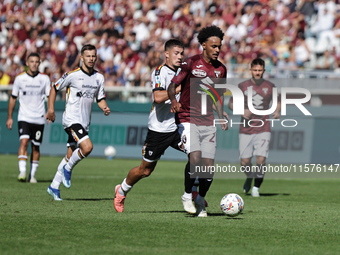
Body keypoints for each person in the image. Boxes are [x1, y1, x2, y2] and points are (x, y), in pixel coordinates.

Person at [114, 39, 185, 212]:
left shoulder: (184, 72)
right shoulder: (160, 72)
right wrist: (178, 88)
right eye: (176, 53)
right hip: (159, 130)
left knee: (197, 155)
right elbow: (158, 97)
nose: (180, 56)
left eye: (181, 53)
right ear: (166, 54)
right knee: (145, 171)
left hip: (178, 127)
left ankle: (193, 195)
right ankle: (122, 191)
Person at [168, 25, 228, 217]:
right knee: (195, 159)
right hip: (187, 118)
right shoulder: (191, 63)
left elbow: (218, 96)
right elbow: (172, 86)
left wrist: (221, 115)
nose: (217, 49)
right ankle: (187, 195)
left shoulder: (221, 70)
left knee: (208, 168)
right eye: (214, 46)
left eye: (219, 46)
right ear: (203, 45)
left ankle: (200, 199)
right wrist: (174, 101)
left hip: (208, 121)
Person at [46, 44, 110, 201]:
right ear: (81, 58)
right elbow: (54, 88)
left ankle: (54, 186)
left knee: (70, 155)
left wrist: (104, 107)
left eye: (93, 56)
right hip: (71, 120)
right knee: (87, 147)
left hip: (84, 122)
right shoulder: (72, 75)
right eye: (88, 56)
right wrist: (51, 110)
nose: (91, 59)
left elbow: (100, 99)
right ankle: (68, 169)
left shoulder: (99, 77)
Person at [228, 58, 281, 197]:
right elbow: (231, 104)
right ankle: (250, 177)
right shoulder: (242, 86)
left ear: (264, 70)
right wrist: (241, 111)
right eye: (255, 70)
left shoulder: (270, 86)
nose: (257, 73)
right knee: (245, 162)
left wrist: (277, 111)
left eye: (260, 70)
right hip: (246, 129)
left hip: (263, 128)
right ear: (250, 70)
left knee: (261, 159)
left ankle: (256, 188)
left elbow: (278, 101)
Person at [6, 52, 51, 183]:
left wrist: (49, 111)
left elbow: (50, 97)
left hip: (39, 117)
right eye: (32, 61)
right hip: (24, 116)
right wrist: (10, 117)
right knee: (24, 142)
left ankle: (32, 175)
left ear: (39, 63)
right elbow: (13, 98)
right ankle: (22, 172)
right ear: (27, 63)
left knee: (35, 146)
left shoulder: (44, 79)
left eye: (37, 62)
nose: (34, 64)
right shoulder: (19, 79)